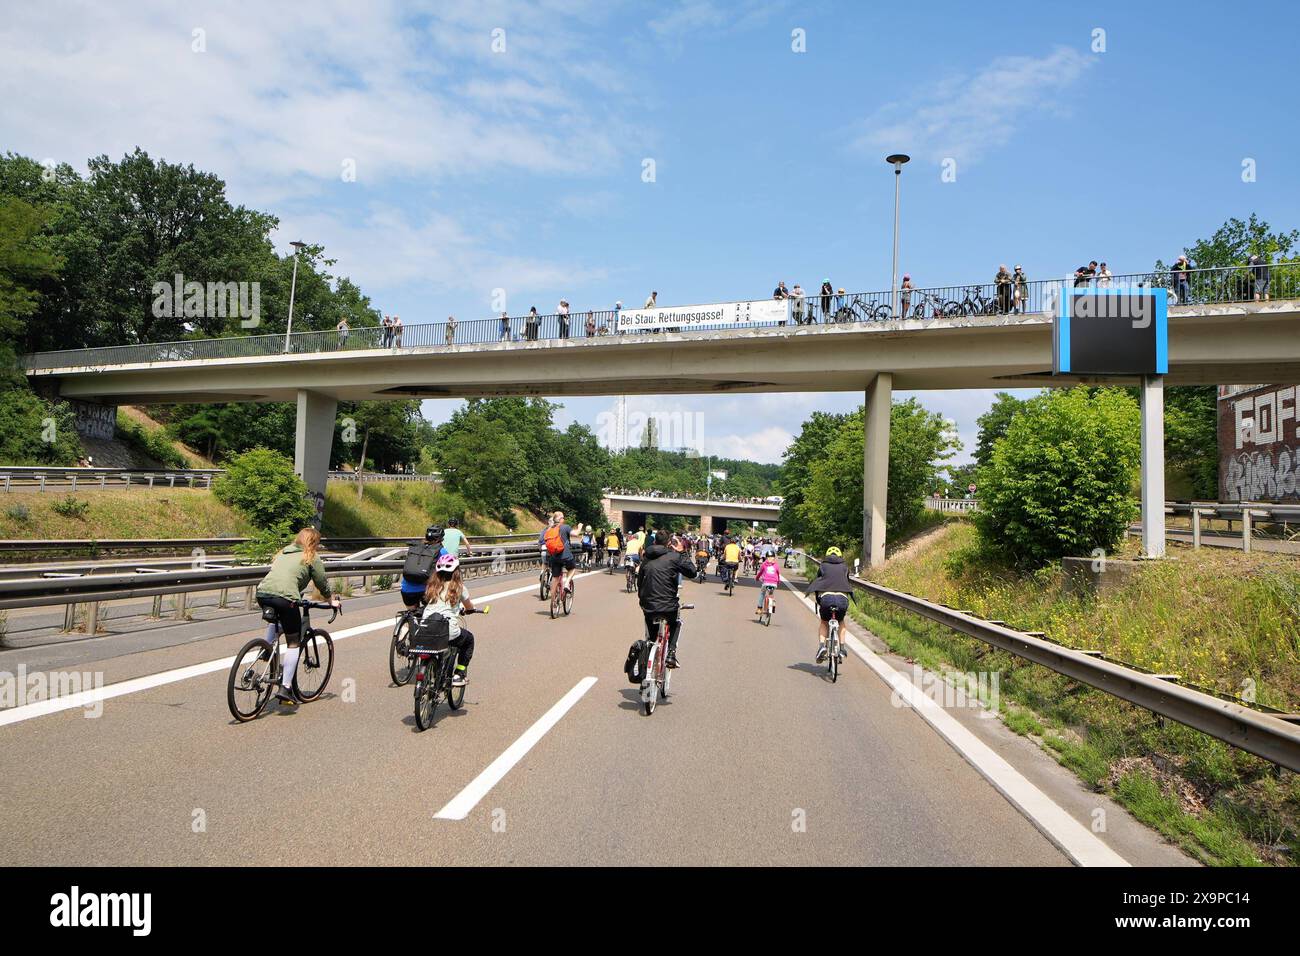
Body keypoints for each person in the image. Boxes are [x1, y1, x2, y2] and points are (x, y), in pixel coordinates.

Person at [255, 528, 341, 706]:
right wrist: (331, 600)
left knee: (279, 621)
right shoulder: (312, 557)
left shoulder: (284, 552)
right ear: (314, 543)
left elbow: (283, 577)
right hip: (286, 597)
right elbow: (322, 582)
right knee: (293, 641)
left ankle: (266, 650)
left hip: (262, 594)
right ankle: (285, 687)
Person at [637, 530, 698, 668]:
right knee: (675, 623)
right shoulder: (674, 557)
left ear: (654, 541)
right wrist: (682, 552)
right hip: (668, 606)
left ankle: (649, 653)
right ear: (669, 543)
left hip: (649, 606)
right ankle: (671, 654)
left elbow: (639, 583)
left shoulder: (646, 559)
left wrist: (643, 601)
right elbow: (692, 572)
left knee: (651, 634)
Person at [420, 553, 479, 688]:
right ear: (456, 571)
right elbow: (469, 606)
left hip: (426, 627)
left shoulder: (431, 586)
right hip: (447, 630)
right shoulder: (459, 588)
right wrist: (470, 610)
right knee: (469, 639)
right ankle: (459, 674)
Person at [805, 546, 852, 664]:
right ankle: (841, 649)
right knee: (841, 621)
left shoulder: (823, 566)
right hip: (842, 599)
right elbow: (846, 582)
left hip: (826, 598)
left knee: (824, 622)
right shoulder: (845, 567)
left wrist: (819, 600)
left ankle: (822, 646)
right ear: (840, 556)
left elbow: (818, 581)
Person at [400, 526, 446, 610]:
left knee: (412, 614)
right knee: (432, 615)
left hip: (406, 589)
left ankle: (411, 621)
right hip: (427, 590)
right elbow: (449, 570)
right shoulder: (441, 551)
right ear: (441, 538)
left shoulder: (415, 547)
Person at [543, 510, 577, 600]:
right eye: (563, 517)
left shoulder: (549, 529)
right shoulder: (565, 527)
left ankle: (553, 600)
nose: (564, 519)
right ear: (561, 519)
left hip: (554, 556)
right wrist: (580, 527)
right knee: (572, 568)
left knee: (555, 578)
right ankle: (566, 584)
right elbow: (576, 534)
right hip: (565, 556)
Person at [755, 551, 781, 615]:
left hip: (766, 583)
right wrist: (778, 582)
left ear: (766, 557)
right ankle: (772, 605)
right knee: (771, 594)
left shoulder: (764, 564)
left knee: (762, 593)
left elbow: (760, 573)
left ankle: (759, 608)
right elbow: (778, 574)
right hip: (774, 584)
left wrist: (757, 578)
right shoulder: (776, 565)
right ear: (774, 558)